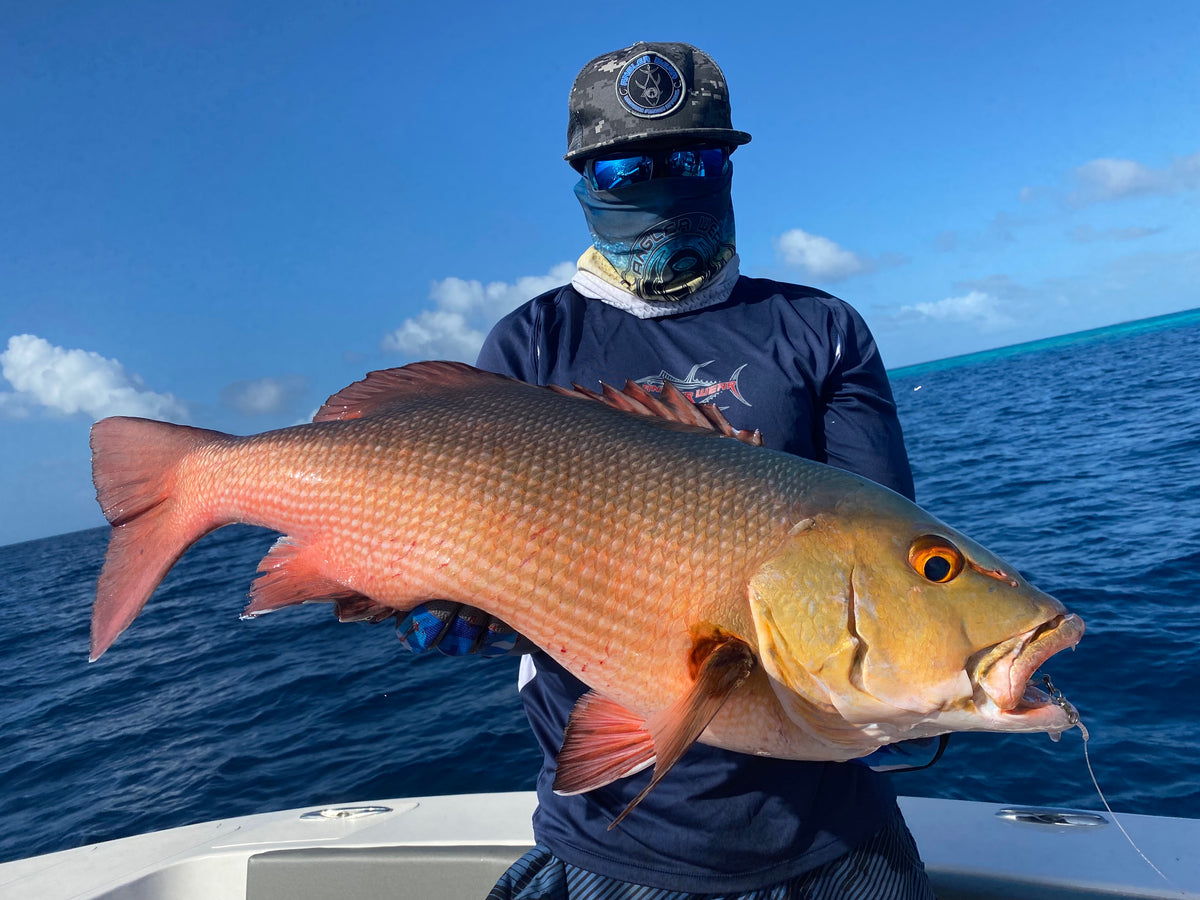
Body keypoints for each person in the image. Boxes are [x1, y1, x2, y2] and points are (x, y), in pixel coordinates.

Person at [400, 42, 941, 899]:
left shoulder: (819, 327)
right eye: (624, 170)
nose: (662, 187)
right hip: (619, 837)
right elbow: (484, 533)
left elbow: (879, 548)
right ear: (583, 182)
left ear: (726, 168)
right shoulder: (529, 344)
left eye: (691, 159)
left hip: (841, 832)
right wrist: (444, 592)